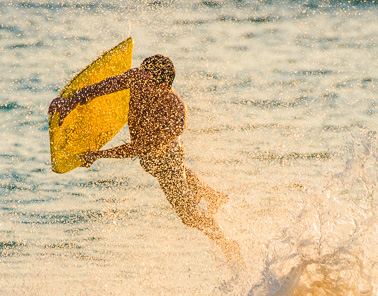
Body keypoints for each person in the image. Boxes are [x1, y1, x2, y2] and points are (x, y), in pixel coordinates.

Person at [48, 55, 243, 264]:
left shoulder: (176, 114)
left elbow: (138, 147)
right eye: (138, 78)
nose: (138, 85)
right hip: (151, 157)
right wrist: (72, 100)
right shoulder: (137, 77)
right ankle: (212, 195)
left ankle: (225, 242)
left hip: (166, 158)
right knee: (179, 175)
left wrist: (98, 155)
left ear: (164, 86)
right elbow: (104, 87)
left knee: (187, 214)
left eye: (145, 83)